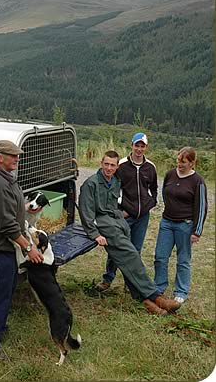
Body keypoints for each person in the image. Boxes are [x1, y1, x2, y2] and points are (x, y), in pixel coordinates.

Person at [78, 150, 181, 316]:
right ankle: (156, 296)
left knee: (125, 259)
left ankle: (146, 301)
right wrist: (95, 234)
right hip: (103, 224)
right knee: (131, 255)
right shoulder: (91, 184)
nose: (109, 168)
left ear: (117, 166)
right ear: (101, 164)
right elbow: (86, 213)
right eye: (106, 164)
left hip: (116, 222)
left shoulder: (115, 181)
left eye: (112, 165)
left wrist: (122, 215)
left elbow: (114, 205)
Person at [0, 139, 43, 358]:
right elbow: (6, 225)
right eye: (13, 156)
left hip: (5, 247)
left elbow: (13, 210)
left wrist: (26, 209)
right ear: (0, 158)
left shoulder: (7, 179)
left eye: (17, 155)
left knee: (5, 291)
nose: (18, 159)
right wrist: (29, 249)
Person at [97, 132, 157, 291]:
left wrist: (148, 205)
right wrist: (120, 210)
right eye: (136, 145)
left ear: (146, 148)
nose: (139, 149)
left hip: (142, 217)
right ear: (131, 145)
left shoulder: (150, 167)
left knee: (135, 251)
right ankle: (107, 279)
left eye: (142, 146)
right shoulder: (121, 165)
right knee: (117, 247)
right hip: (124, 215)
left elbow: (153, 190)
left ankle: (130, 283)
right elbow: (113, 188)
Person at [154, 146, 207, 303]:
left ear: (192, 163)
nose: (179, 164)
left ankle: (181, 292)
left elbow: (202, 207)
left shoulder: (198, 181)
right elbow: (165, 193)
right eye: (178, 160)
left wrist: (196, 231)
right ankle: (159, 287)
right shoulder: (170, 174)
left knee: (183, 260)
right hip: (167, 223)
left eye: (183, 162)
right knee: (160, 257)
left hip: (185, 225)